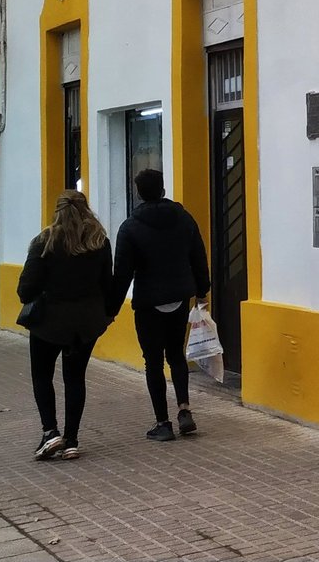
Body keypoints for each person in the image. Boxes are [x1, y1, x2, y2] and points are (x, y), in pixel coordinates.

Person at [109, 168, 210, 442]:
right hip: (179, 297)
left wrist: (111, 309)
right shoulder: (184, 218)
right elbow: (198, 256)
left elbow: (122, 274)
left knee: (153, 361)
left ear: (139, 193)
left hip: (148, 303)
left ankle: (162, 423)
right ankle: (184, 410)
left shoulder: (130, 227)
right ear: (163, 190)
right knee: (176, 355)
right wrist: (202, 291)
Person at [16, 190, 114, 461]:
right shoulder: (99, 242)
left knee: (42, 376)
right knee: (75, 378)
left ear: (57, 210)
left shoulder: (44, 242)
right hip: (86, 323)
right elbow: (108, 284)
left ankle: (50, 432)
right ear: (86, 209)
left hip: (49, 322)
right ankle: (71, 439)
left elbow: (26, 289)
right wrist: (106, 314)